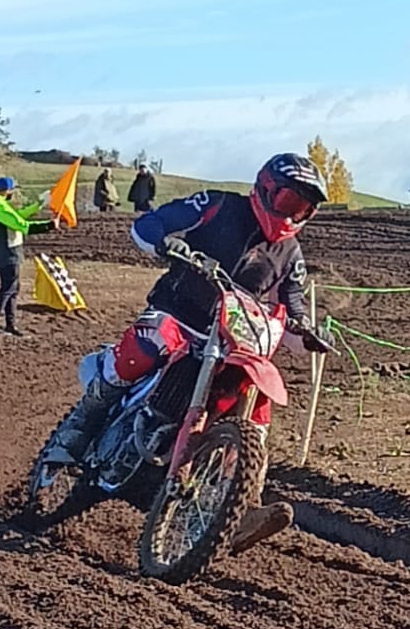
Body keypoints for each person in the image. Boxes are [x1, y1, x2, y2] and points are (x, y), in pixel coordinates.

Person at [45, 154, 330, 544]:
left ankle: (241, 504)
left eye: (303, 209)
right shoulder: (217, 205)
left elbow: (292, 301)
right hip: (179, 314)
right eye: (289, 201)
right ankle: (76, 431)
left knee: (256, 403)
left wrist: (306, 329)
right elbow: (152, 222)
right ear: (266, 189)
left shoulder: (291, 254)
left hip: (232, 340)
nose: (293, 214)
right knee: (146, 349)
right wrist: (165, 242)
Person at [0, 176, 57, 335]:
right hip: (7, 255)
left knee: (13, 289)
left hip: (9, 253)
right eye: (13, 190)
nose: (14, 193)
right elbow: (22, 225)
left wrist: (38, 205)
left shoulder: (0, 204)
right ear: (7, 190)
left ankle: (10, 325)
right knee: (8, 288)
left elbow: (18, 215)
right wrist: (49, 226)